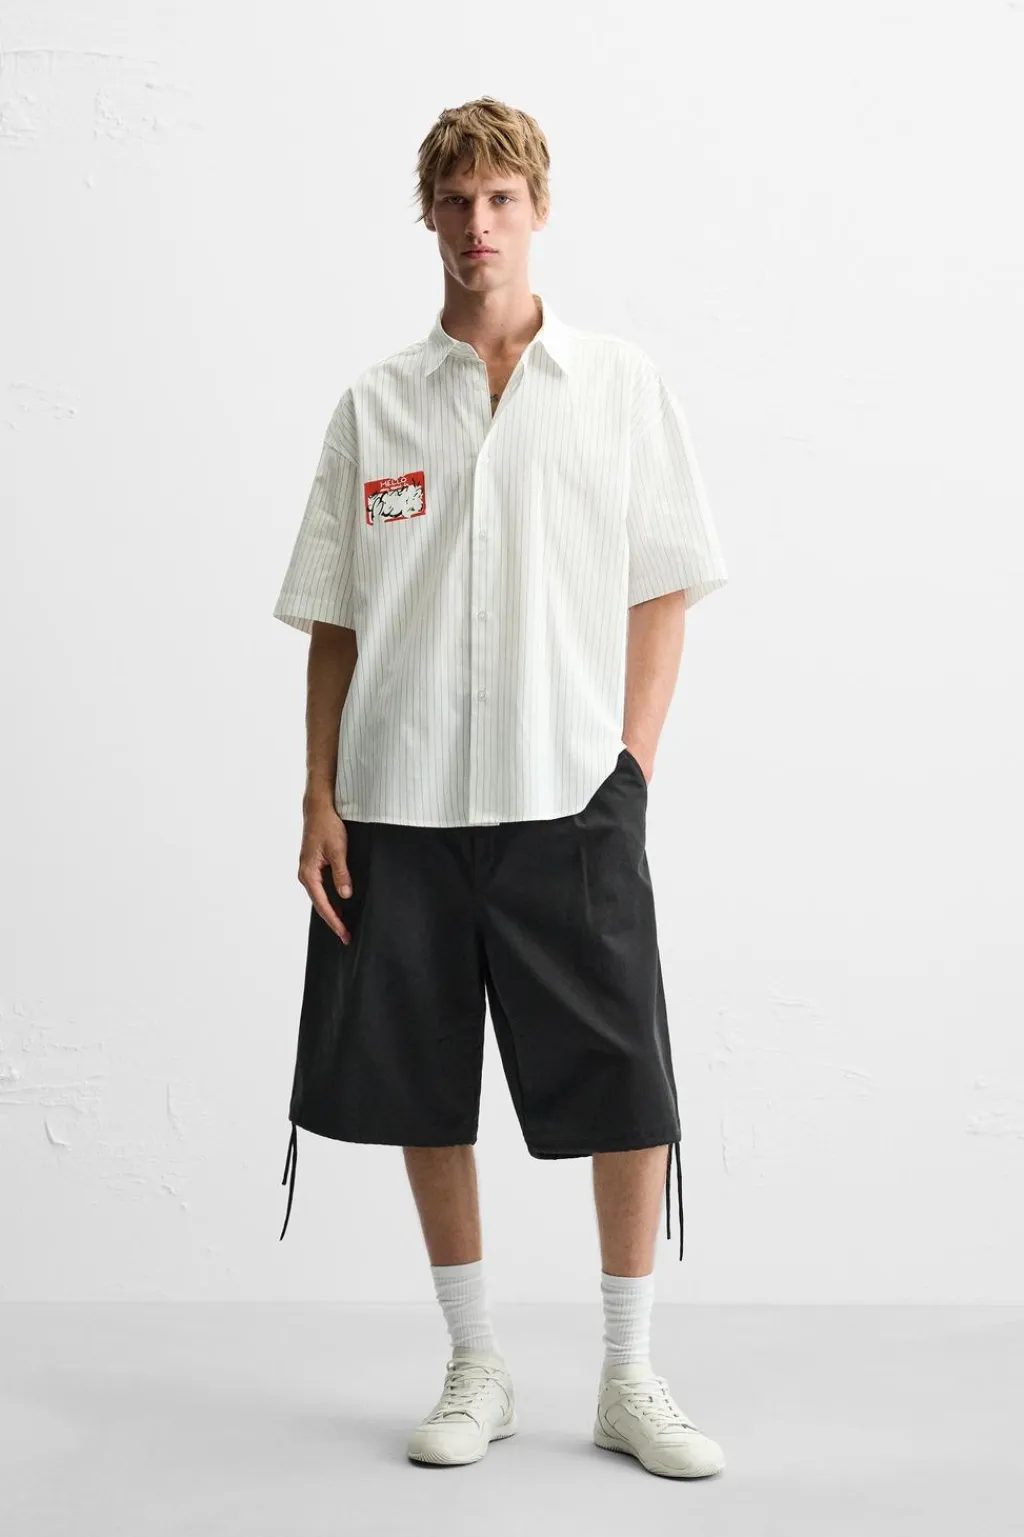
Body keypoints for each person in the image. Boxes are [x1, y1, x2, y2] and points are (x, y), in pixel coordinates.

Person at [271, 96, 729, 1479]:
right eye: (457, 201)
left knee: (624, 1080)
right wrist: (319, 797)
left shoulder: (618, 387)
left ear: (538, 211)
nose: (479, 225)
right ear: (429, 217)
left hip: (568, 793)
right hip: (400, 802)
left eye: (502, 200)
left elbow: (663, 586)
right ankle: (476, 1361)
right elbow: (337, 617)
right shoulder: (375, 405)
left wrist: (631, 766)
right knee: (422, 1083)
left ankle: (629, 1374)